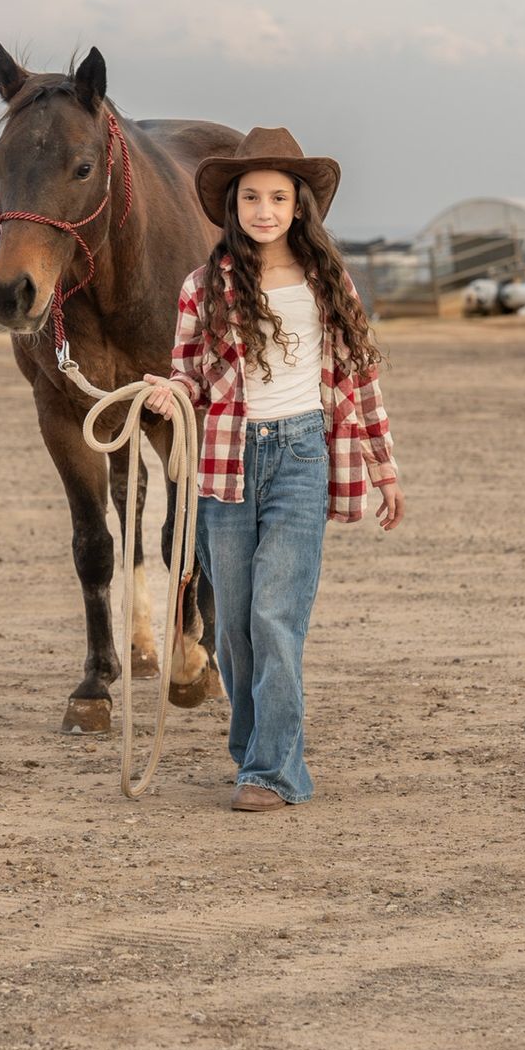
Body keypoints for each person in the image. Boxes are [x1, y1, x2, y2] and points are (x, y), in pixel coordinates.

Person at [142, 127, 403, 812]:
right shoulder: (204, 287)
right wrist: (170, 394)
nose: (264, 209)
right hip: (225, 466)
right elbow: (188, 374)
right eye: (251, 196)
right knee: (233, 628)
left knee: (275, 616)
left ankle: (272, 773)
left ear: (298, 206)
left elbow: (360, 379)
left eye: (277, 197)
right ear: (233, 206)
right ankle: (255, 753)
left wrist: (385, 470)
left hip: (299, 458)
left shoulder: (327, 282)